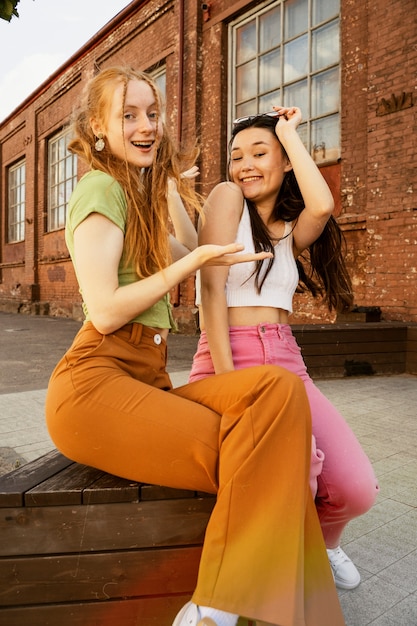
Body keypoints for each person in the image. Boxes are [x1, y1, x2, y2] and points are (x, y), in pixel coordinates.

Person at [45, 68, 345, 626]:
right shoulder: (98, 186)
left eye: (153, 114)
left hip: (144, 380)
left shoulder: (135, 191)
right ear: (97, 127)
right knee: (262, 457)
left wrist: (167, 188)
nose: (145, 125)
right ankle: (221, 605)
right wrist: (195, 261)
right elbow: (107, 308)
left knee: (279, 392)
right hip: (94, 383)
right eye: (128, 115)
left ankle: (247, 597)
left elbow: (193, 244)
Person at [189, 106, 379, 591]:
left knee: (355, 489)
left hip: (287, 359)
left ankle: (325, 543)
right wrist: (229, 382)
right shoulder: (226, 201)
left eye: (259, 152)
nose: (244, 165)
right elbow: (212, 293)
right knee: (281, 476)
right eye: (236, 156)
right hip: (225, 354)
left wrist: (289, 132)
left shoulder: (291, 232)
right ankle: (267, 576)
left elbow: (321, 205)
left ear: (285, 162)